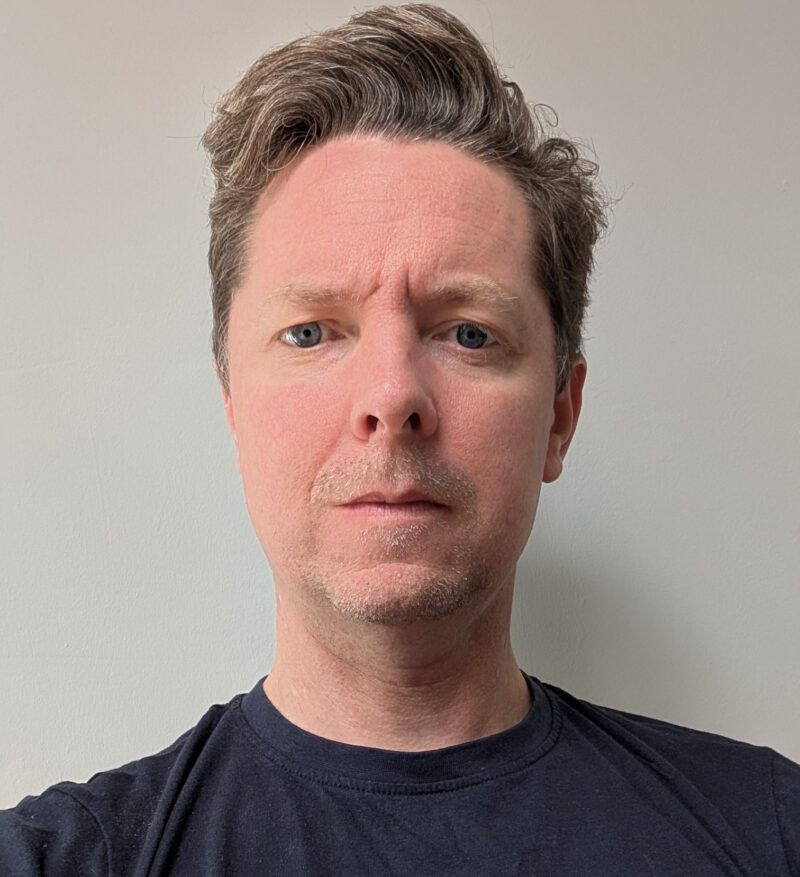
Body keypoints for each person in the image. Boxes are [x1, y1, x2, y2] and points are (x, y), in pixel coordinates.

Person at [2, 3, 798, 874]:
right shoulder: (60, 857)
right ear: (233, 405)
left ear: (560, 417)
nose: (392, 395)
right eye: (311, 331)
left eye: (467, 332)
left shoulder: (770, 831)